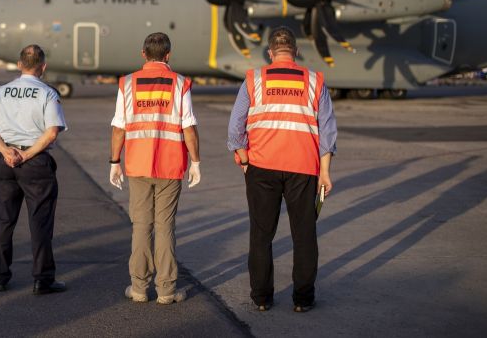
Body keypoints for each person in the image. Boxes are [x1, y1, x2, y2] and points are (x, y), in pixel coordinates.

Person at [227, 26, 337, 312]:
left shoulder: (254, 79)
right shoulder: (315, 81)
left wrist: (243, 158)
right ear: (296, 51)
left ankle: (262, 298)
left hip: (262, 166)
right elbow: (327, 131)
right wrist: (325, 171)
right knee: (304, 235)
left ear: (270, 52)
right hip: (303, 168)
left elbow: (235, 126)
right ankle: (303, 299)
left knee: (261, 235)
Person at [109, 32, 201, 305]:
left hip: (137, 164)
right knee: (164, 227)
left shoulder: (127, 83)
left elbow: (118, 128)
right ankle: (166, 291)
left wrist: (115, 161)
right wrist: (195, 161)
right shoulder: (180, 83)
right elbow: (189, 127)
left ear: (143, 54)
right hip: (170, 165)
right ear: (168, 55)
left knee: (141, 226)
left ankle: (138, 288)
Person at [0, 44, 68, 295]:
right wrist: (27, 154)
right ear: (43, 67)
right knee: (39, 221)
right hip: (35, 161)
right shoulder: (47, 93)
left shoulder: (0, 92)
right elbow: (52, 132)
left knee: (4, 219)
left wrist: (7, 151)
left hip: (6, 160)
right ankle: (42, 279)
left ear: (19, 65)